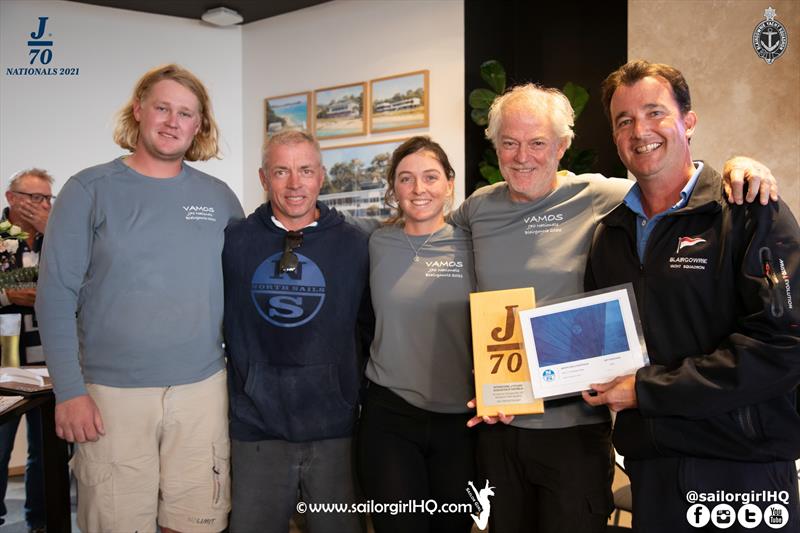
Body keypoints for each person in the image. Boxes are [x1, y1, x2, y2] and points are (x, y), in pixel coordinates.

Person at [451, 82, 780, 533]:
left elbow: (673, 178)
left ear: (563, 146)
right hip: (501, 422)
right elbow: (422, 230)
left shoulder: (603, 197)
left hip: (576, 428)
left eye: (537, 143)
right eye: (509, 143)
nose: (522, 155)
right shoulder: (476, 209)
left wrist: (742, 167)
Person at [583, 59, 800, 532]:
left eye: (655, 112)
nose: (641, 131)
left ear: (689, 120)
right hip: (653, 466)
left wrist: (648, 389)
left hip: (742, 466)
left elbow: (784, 347)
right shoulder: (610, 234)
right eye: (624, 120)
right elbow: (601, 350)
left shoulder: (749, 211)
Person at [36, 64, 243, 533]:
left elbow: (245, 285)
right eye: (163, 108)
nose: (173, 121)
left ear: (199, 125)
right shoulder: (88, 190)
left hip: (202, 391)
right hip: (111, 396)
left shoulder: (218, 198)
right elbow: (54, 297)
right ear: (138, 111)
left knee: (196, 522)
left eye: (185, 113)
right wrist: (69, 392)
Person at [223, 129, 372, 533]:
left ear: (321, 176)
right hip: (256, 428)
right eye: (281, 171)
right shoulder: (234, 241)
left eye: (305, 170)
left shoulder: (357, 244)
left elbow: (369, 329)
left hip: (334, 428)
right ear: (263, 177)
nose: (294, 184)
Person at [356, 136, 477, 533]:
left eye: (430, 177)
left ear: (450, 183)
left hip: (461, 422)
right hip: (390, 414)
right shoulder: (376, 242)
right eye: (406, 179)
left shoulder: (474, 243)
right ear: (393, 189)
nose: (419, 189)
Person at [0, 168, 53, 532]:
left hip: (50, 355)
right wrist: (6, 294)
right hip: (4, 360)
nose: (42, 205)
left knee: (47, 451)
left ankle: (42, 522)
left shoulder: (60, 237)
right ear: (11, 198)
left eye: (47, 198)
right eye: (34, 197)